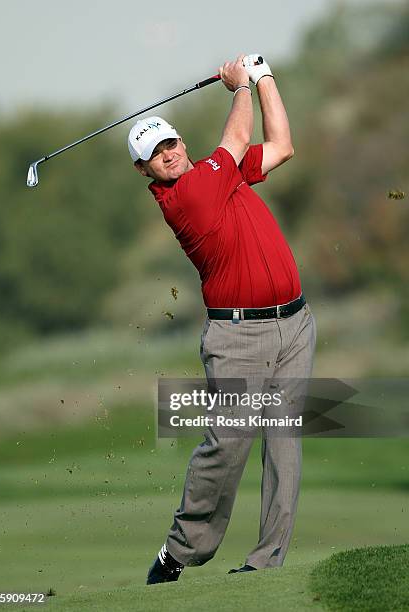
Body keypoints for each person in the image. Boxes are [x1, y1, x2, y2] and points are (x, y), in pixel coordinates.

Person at [127, 54, 317, 584]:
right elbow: (234, 141)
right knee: (227, 443)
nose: (167, 155)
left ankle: (266, 566)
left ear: (181, 143)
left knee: (284, 445)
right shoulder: (185, 196)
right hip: (239, 336)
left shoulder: (224, 178)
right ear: (144, 170)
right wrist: (239, 87)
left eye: (170, 144)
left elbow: (282, 144)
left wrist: (264, 78)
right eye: (154, 154)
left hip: (296, 325)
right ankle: (179, 552)